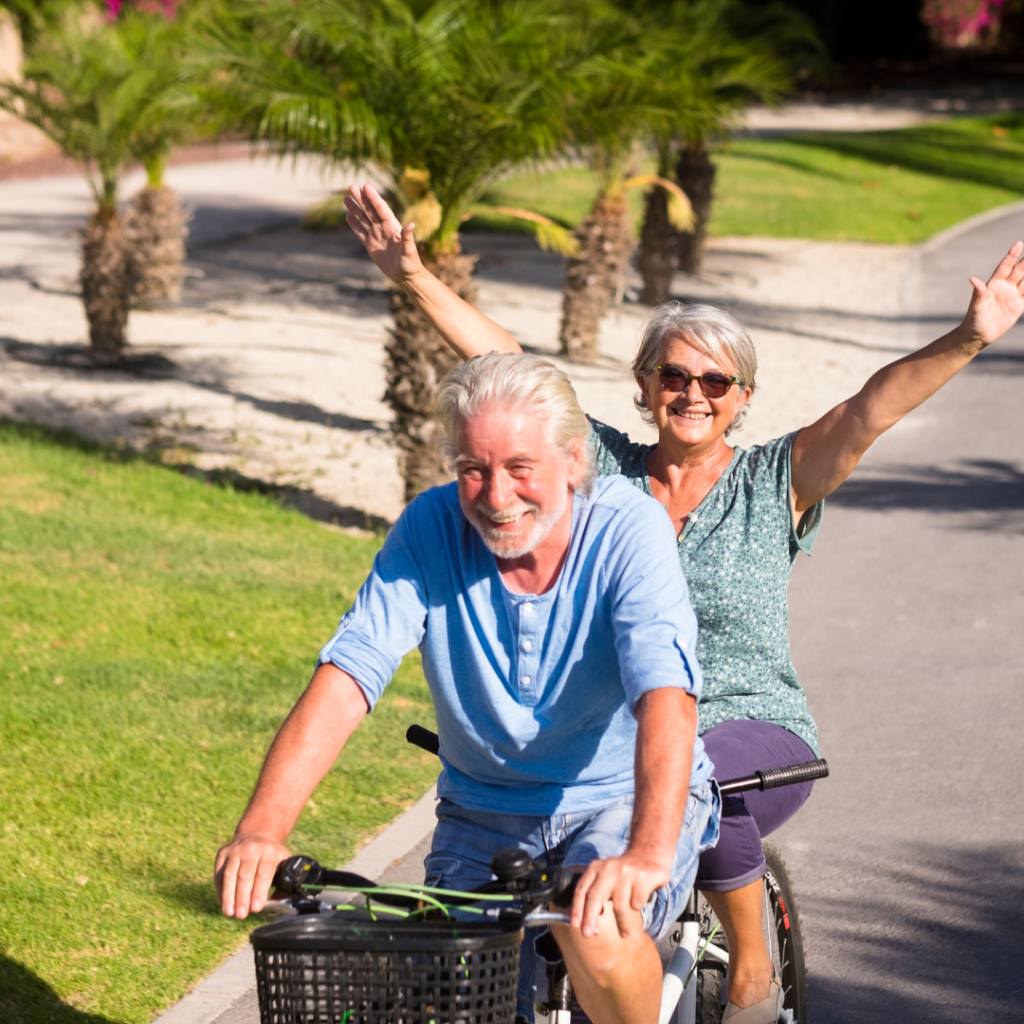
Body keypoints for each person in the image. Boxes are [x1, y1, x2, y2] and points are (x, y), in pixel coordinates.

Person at [343, 183, 1024, 1024]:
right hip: (608, 740)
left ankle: (751, 973)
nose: (693, 392)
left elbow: (866, 410)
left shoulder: (776, 480)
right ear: (645, 384)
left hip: (745, 720)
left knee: (705, 786)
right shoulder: (602, 469)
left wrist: (968, 337)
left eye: (716, 379)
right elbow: (513, 366)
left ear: (742, 396)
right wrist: (410, 274)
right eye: (674, 374)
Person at [215, 353, 721, 1024]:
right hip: (484, 816)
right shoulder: (430, 528)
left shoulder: (628, 528)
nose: (495, 496)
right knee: (449, 998)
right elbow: (349, 673)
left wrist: (645, 854)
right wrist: (261, 831)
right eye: (473, 471)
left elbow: (665, 692)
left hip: (619, 798)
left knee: (596, 928)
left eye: (519, 468)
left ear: (573, 459)